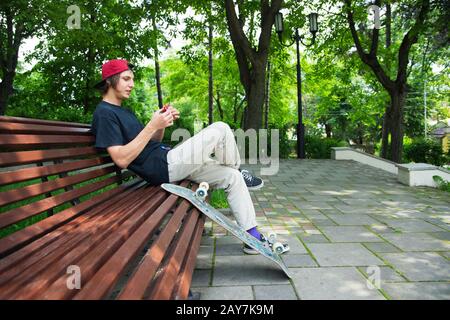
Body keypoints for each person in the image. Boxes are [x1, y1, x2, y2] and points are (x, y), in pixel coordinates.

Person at [91, 59, 267, 254]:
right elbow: (121, 159)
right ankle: (238, 168)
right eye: (126, 79)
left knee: (231, 177)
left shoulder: (123, 111)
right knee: (221, 128)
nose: (131, 84)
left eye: (132, 79)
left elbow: (150, 143)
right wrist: (152, 126)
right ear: (109, 81)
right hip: (163, 168)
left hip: (167, 159)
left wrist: (160, 124)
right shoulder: (104, 114)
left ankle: (252, 236)